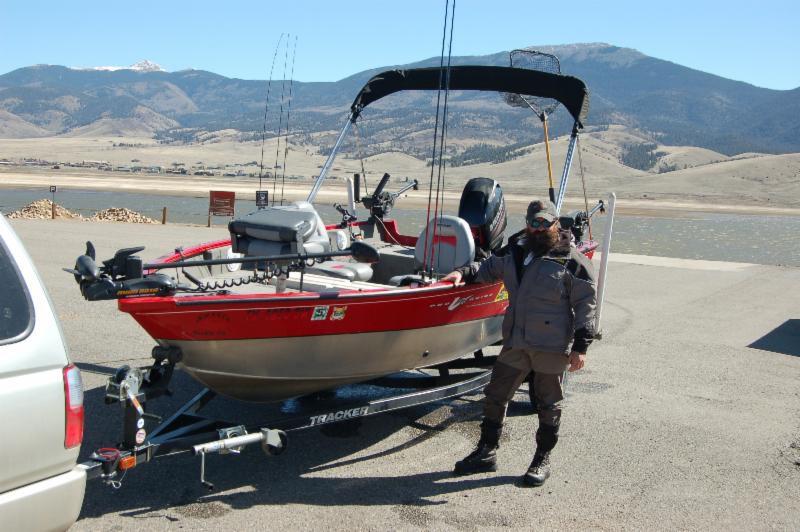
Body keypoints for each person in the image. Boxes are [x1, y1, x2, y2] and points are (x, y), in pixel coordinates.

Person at [442, 199, 597, 487]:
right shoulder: (516, 251)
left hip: (551, 345)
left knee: (548, 404)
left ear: (556, 223)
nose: (539, 228)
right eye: (533, 222)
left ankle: (542, 459)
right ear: (527, 223)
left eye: (545, 223)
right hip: (515, 340)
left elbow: (587, 304)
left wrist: (581, 347)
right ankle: (486, 452)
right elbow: (487, 268)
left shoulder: (571, 260)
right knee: (495, 395)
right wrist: (461, 274)